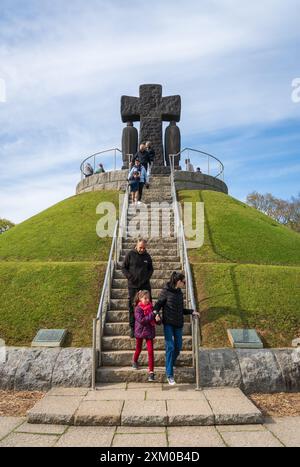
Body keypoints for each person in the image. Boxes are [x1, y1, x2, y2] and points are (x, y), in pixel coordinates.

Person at [153, 272, 200, 385]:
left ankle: (170, 362)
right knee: (170, 346)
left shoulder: (179, 293)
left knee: (178, 347)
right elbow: (158, 304)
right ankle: (169, 374)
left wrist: (192, 311)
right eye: (183, 282)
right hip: (168, 323)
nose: (184, 283)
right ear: (178, 281)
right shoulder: (166, 291)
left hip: (178, 323)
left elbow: (181, 310)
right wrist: (156, 313)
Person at [121, 239, 153, 338]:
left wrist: (146, 278)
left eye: (144, 248)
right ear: (136, 245)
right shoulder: (130, 254)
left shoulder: (147, 256)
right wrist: (130, 277)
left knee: (148, 306)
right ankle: (133, 328)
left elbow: (151, 269)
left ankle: (148, 327)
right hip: (133, 286)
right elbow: (123, 268)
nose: (142, 249)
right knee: (133, 306)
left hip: (145, 286)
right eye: (140, 247)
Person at [132, 290, 161, 382]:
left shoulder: (152, 308)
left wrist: (158, 319)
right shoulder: (138, 308)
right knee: (138, 348)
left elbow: (157, 321)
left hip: (149, 331)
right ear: (140, 299)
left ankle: (151, 372)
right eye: (145, 298)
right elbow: (142, 320)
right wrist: (152, 315)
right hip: (140, 331)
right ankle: (135, 361)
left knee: (150, 351)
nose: (147, 300)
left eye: (148, 298)